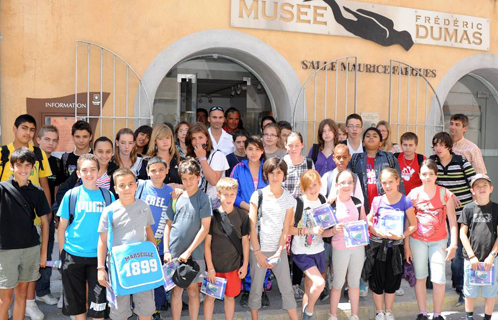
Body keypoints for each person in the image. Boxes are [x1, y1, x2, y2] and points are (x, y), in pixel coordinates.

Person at [0, 114, 52, 320]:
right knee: (5, 298)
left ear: (32, 168)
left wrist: (43, 253)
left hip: (30, 243)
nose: (23, 170)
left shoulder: (37, 191)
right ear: (12, 166)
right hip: (6, 246)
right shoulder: (2, 186)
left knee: (22, 294)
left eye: (27, 166)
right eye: (19, 166)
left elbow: (45, 219)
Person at [57, 154, 115, 320]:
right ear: (78, 173)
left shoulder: (108, 196)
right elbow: (62, 228)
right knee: (76, 302)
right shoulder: (71, 195)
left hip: (98, 258)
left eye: (92, 170)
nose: (89, 174)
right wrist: (63, 254)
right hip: (73, 255)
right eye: (84, 170)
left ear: (99, 172)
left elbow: (112, 227)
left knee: (98, 304)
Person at [97, 168, 155, 320]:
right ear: (115, 189)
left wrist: (153, 254)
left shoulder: (144, 206)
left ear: (136, 185)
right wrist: (101, 268)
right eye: (122, 185)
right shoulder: (109, 211)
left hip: (142, 265)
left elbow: (148, 230)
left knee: (145, 309)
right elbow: (102, 240)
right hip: (119, 267)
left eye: (130, 184)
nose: (127, 188)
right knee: (119, 311)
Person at [405, 159, 458, 320]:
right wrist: (406, 246)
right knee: (420, 276)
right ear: (419, 175)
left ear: (436, 175)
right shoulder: (413, 194)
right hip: (417, 240)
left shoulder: (445, 194)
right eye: (424, 174)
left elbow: (453, 221)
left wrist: (453, 244)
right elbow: (407, 222)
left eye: (430, 174)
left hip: (439, 240)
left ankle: (437, 314)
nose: (427, 177)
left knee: (438, 277)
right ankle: (422, 312)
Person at [363, 168, 417, 320]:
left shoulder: (405, 201)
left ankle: (388, 311)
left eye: (390, 182)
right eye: (384, 183)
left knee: (392, 281)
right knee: (377, 280)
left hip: (395, 249)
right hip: (379, 247)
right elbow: (368, 219)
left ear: (398, 181)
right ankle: (379, 312)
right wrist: (375, 231)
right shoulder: (377, 200)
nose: (387, 186)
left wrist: (402, 235)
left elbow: (413, 225)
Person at [248, 157, 298, 320]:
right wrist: (257, 252)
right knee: (256, 289)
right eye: (271, 173)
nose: (275, 176)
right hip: (258, 250)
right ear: (266, 174)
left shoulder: (289, 199)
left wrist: (278, 252)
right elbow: (252, 226)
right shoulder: (258, 195)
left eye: (279, 172)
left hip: (279, 251)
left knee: (287, 289)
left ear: (284, 175)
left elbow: (286, 230)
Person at [429, 131, 476, 305]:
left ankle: (460, 287)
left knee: (457, 251)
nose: (438, 148)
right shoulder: (432, 162)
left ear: (449, 146)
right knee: (438, 247)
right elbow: (428, 181)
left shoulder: (461, 161)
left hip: (461, 214)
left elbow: (473, 180)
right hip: (439, 214)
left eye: (442, 144)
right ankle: (433, 281)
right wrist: (448, 192)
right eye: (436, 144)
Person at [164, 158, 212, 320]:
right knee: (176, 290)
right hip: (175, 252)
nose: (188, 182)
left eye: (192, 178)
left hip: (195, 254)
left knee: (193, 290)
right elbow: (168, 225)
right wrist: (166, 250)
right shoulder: (176, 197)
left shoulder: (203, 199)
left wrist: (189, 251)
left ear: (199, 177)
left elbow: (205, 228)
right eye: (184, 179)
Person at [229, 136, 271, 307]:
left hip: (266, 217)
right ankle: (246, 289)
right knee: (246, 252)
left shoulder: (268, 168)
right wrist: (247, 206)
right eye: (250, 149)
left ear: (262, 151)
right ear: (244, 150)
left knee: (264, 250)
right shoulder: (238, 168)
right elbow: (231, 192)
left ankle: (261, 289)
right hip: (243, 216)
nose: (254, 153)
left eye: (257, 149)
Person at [204, 178, 250, 320]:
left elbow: (245, 243)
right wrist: (210, 268)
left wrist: (245, 264)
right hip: (215, 268)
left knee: (230, 298)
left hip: (233, 267)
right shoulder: (212, 216)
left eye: (232, 194)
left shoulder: (243, 216)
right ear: (218, 195)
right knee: (210, 298)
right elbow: (207, 244)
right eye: (226, 194)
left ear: (236, 194)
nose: (229, 198)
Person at [288, 170, 332, 320]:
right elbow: (288, 229)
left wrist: (333, 231)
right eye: (308, 186)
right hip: (302, 251)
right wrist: (309, 230)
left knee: (309, 287)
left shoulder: (322, 199)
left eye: (315, 185)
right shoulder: (298, 202)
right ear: (303, 188)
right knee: (319, 283)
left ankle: (305, 317)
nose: (312, 189)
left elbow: (323, 232)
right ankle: (309, 311)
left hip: (318, 249)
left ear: (320, 184)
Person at [136, 157, 174, 319]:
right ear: (147, 172)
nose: (157, 173)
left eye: (161, 170)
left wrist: (166, 248)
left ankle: (156, 309)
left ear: (167, 171)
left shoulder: (170, 192)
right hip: (139, 242)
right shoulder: (141, 185)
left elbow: (169, 222)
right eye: (153, 170)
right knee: (141, 277)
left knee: (157, 279)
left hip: (158, 244)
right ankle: (139, 308)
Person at [328, 169, 367, 320]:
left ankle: (354, 315)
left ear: (354, 185)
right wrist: (333, 230)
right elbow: (323, 229)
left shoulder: (357, 203)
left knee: (354, 282)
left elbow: (364, 223)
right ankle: (333, 315)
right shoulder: (331, 204)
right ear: (336, 185)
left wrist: (365, 234)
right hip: (340, 248)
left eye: (350, 182)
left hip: (357, 249)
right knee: (337, 282)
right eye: (343, 182)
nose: (346, 185)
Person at [459, 174, 498, 320]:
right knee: (470, 292)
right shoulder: (468, 209)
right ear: (472, 190)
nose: (481, 188)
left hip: (491, 260)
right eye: (478, 186)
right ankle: (469, 317)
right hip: (471, 259)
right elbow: (463, 234)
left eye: (485, 186)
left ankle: (487, 318)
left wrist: (492, 256)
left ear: (491, 189)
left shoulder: (496, 209)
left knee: (490, 292)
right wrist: (471, 256)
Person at [35, 125, 65, 307]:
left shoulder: (57, 162)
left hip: (48, 215)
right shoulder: (30, 159)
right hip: (28, 218)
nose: (51, 143)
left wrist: (54, 214)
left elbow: (55, 190)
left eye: (54, 140)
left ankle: (42, 291)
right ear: (38, 140)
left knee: (45, 254)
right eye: (47, 139)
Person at [349, 127, 404, 212]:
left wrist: (401, 203)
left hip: (386, 204)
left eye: (375, 136)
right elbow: (350, 182)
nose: (371, 138)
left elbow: (399, 181)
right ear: (363, 143)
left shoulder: (389, 157)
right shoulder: (356, 159)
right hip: (362, 205)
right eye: (368, 136)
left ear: (380, 143)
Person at [56, 137, 119, 204]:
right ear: (94, 152)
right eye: (100, 151)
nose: (104, 155)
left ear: (112, 152)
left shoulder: (116, 172)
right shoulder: (83, 170)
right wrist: (73, 209)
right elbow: (61, 192)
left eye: (108, 152)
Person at [186, 122, 229, 206]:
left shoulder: (217, 155)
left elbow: (213, 181)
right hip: (194, 203)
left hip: (213, 204)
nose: (197, 142)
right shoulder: (189, 157)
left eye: (200, 137)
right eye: (193, 138)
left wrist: (202, 158)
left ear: (207, 138)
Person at [146, 124, 183, 189]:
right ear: (155, 141)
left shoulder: (181, 161)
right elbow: (141, 186)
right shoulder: (146, 162)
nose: (165, 141)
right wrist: (165, 188)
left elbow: (192, 185)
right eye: (160, 139)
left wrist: (177, 187)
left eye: (168, 138)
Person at [283, 132, 314, 199]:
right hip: (286, 204)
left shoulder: (309, 163)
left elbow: (313, 183)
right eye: (290, 145)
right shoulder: (281, 163)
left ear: (302, 145)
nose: (294, 149)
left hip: (304, 204)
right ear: (285, 145)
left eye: (297, 145)